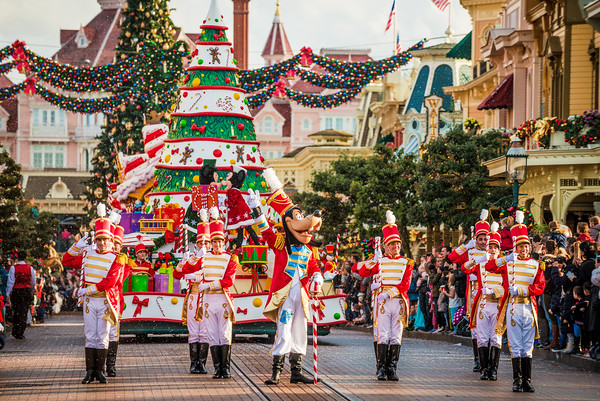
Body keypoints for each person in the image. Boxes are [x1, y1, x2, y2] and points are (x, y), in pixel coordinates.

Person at [246, 170, 324, 386]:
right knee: (284, 330)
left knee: (300, 331)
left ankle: (296, 371)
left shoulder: (309, 251)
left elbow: (314, 268)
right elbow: (266, 232)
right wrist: (256, 210)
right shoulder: (282, 245)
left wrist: (317, 276)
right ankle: (277, 372)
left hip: (302, 295)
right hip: (286, 294)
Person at [62, 204, 126, 384]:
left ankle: (100, 371)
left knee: (103, 336)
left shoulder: (116, 258)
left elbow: (110, 282)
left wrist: (87, 289)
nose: (102, 243)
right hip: (90, 302)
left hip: (105, 301)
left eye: (105, 239)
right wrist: (76, 245)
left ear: (110, 240)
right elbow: (66, 260)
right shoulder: (87, 255)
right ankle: (90, 371)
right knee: (90, 335)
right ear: (95, 240)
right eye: (99, 239)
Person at [484, 210, 545, 393]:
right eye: (520, 247)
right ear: (516, 248)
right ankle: (516, 380)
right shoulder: (508, 264)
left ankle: (527, 380)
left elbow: (540, 286)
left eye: (526, 246)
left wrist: (525, 289)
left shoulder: (537, 265)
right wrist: (505, 258)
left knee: (528, 347)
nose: (524, 249)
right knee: (515, 345)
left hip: (528, 306)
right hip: (512, 308)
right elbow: (489, 266)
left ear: (529, 247)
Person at [359, 210, 414, 381]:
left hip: (397, 301)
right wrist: (373, 261)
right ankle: (382, 368)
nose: (395, 247)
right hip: (382, 303)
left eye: (397, 244)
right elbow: (362, 271)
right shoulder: (380, 261)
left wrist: (388, 292)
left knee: (396, 334)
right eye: (392, 245)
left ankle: (392, 368)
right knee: (382, 334)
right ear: (385, 246)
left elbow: (406, 283)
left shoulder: (407, 262)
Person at [190, 207, 238, 379]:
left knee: (224, 335)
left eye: (219, 241)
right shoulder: (204, 258)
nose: (217, 244)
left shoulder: (230, 258)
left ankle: (226, 368)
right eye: (214, 241)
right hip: (209, 301)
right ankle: (218, 369)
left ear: (224, 241)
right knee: (212, 335)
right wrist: (193, 260)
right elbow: (191, 271)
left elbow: (229, 281)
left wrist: (208, 285)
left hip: (223, 300)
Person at [460, 222, 506, 381]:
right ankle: (484, 368)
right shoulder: (481, 265)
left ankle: (493, 369)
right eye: (490, 247)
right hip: (482, 305)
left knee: (496, 337)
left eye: (495, 247)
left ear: (499, 250)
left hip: (497, 305)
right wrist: (476, 260)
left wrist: (495, 291)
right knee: (482, 337)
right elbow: (464, 268)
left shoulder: (505, 266)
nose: (492, 250)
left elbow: (507, 287)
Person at [448, 209, 490, 372]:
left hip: (489, 292)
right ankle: (478, 359)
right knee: (475, 326)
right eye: (479, 239)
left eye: (485, 238)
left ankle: (487, 360)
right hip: (473, 292)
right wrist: (466, 246)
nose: (482, 242)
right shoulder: (470, 251)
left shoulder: (494, 252)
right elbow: (452, 258)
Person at [173, 209, 211, 374]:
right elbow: (177, 274)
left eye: (207, 243)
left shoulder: (214, 259)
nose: (204, 246)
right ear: (196, 244)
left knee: (205, 332)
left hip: (208, 298)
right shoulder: (191, 257)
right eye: (201, 243)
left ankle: (202, 363)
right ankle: (193, 363)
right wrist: (188, 263)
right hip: (193, 297)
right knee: (193, 331)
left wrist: (192, 275)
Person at [105, 213, 129, 377]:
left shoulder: (123, 261)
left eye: (117, 244)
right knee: (102, 333)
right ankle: (100, 365)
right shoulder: (103, 258)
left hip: (116, 299)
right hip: (102, 297)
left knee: (113, 332)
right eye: (112, 243)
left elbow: (121, 278)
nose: (114, 247)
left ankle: (111, 365)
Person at [6, 250, 36, 339]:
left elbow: (10, 281)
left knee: (16, 310)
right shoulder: (29, 268)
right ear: (25, 257)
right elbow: (33, 281)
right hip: (26, 291)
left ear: (17, 257)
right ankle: (20, 331)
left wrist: (8, 293)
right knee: (24, 311)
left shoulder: (13, 268)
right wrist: (31, 289)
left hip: (16, 291)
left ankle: (15, 330)